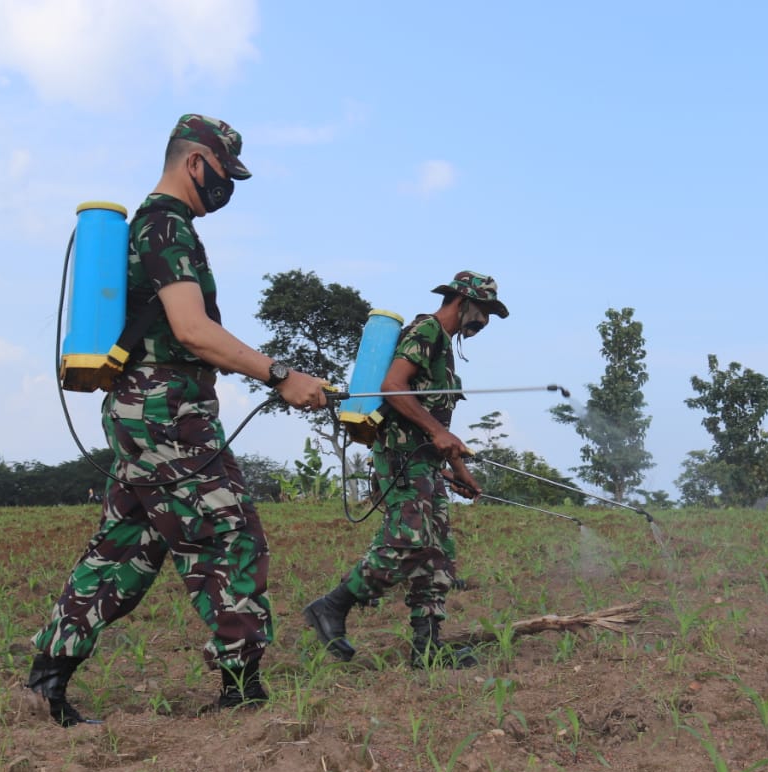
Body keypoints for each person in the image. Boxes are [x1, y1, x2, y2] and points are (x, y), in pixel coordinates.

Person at [27, 115, 330, 726]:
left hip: (145, 410)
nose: (228, 187)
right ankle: (243, 696)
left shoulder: (159, 226)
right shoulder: (167, 227)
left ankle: (47, 682)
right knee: (230, 536)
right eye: (225, 173)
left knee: (124, 548)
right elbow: (193, 331)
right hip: (168, 412)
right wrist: (280, 375)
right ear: (197, 163)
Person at [303, 271, 508, 668]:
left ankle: (427, 648)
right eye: (482, 311)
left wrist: (456, 467)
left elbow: (431, 419)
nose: (484, 322)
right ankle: (331, 606)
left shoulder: (444, 346)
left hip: (425, 463)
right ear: (460, 301)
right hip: (401, 461)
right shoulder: (427, 330)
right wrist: (437, 433)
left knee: (436, 555)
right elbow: (394, 386)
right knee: (408, 540)